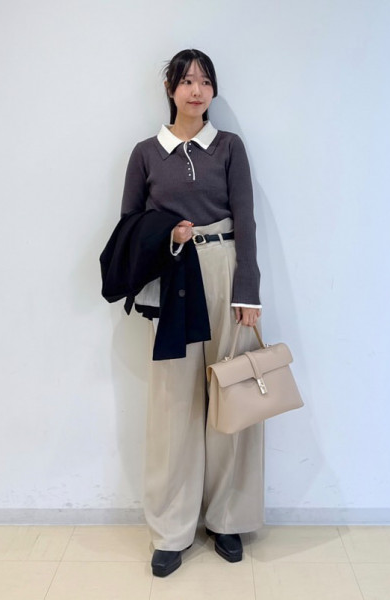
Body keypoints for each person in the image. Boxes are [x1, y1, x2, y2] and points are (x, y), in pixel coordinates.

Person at [120, 49, 264, 577]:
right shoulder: (145, 153)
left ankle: (227, 519)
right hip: (175, 273)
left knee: (232, 393)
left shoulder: (229, 147)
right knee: (174, 401)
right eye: (186, 81)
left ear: (213, 90)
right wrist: (168, 233)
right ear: (170, 88)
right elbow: (129, 225)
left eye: (205, 81)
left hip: (225, 270)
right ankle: (171, 528)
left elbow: (245, 219)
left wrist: (248, 292)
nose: (196, 90)